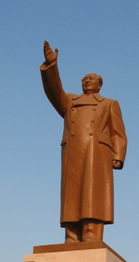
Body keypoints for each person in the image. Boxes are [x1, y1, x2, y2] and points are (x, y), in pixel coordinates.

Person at [41, 40, 127, 243]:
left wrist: (118, 155)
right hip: (73, 152)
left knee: (92, 195)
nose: (87, 81)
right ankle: (71, 235)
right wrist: (52, 66)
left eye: (91, 79)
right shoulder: (70, 101)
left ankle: (91, 234)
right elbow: (54, 92)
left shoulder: (109, 104)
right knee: (72, 194)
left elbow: (118, 131)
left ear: (99, 84)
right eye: (84, 79)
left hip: (96, 153)